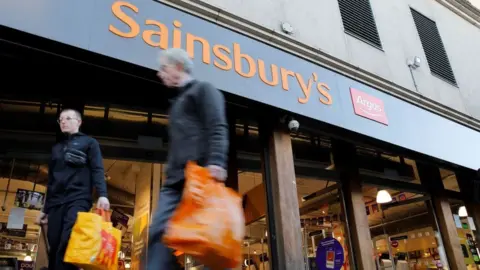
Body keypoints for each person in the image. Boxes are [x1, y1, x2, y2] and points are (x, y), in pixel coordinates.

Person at [148, 48, 229, 269]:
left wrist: (217, 161)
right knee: (158, 234)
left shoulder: (204, 90)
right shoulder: (176, 104)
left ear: (179, 67)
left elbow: (217, 126)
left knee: (209, 242)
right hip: (175, 181)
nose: (159, 73)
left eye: (163, 68)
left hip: (200, 177)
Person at [35, 108, 110, 270]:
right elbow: (51, 180)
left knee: (68, 239)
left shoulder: (90, 143)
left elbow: (98, 169)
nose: (63, 121)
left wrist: (103, 195)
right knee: (54, 243)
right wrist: (45, 209)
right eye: (60, 119)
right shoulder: (56, 148)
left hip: (78, 198)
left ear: (79, 122)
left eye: (68, 118)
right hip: (55, 202)